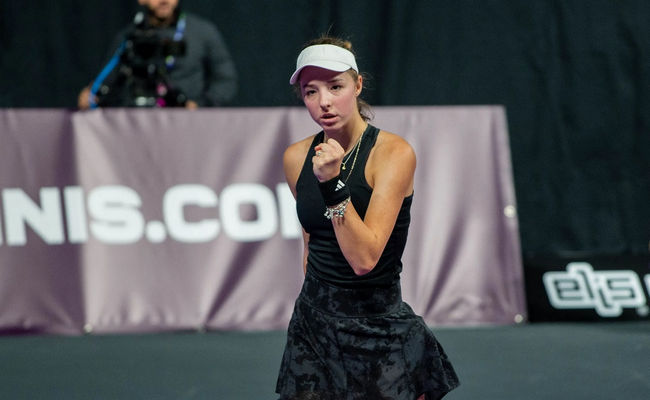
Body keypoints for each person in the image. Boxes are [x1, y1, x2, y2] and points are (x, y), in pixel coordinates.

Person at [276, 36, 459, 400]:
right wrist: (316, 312)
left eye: (335, 86)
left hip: (379, 328)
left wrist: (333, 184)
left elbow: (364, 259)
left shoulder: (394, 153)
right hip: (314, 329)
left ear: (357, 85)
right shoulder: (296, 158)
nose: (324, 101)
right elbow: (312, 243)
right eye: (311, 91)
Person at [77, 0, 237, 109]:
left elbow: (225, 79)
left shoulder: (202, 32)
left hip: (187, 121)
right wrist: (92, 95)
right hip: (139, 122)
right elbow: (107, 79)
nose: (164, 0)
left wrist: (200, 105)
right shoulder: (128, 37)